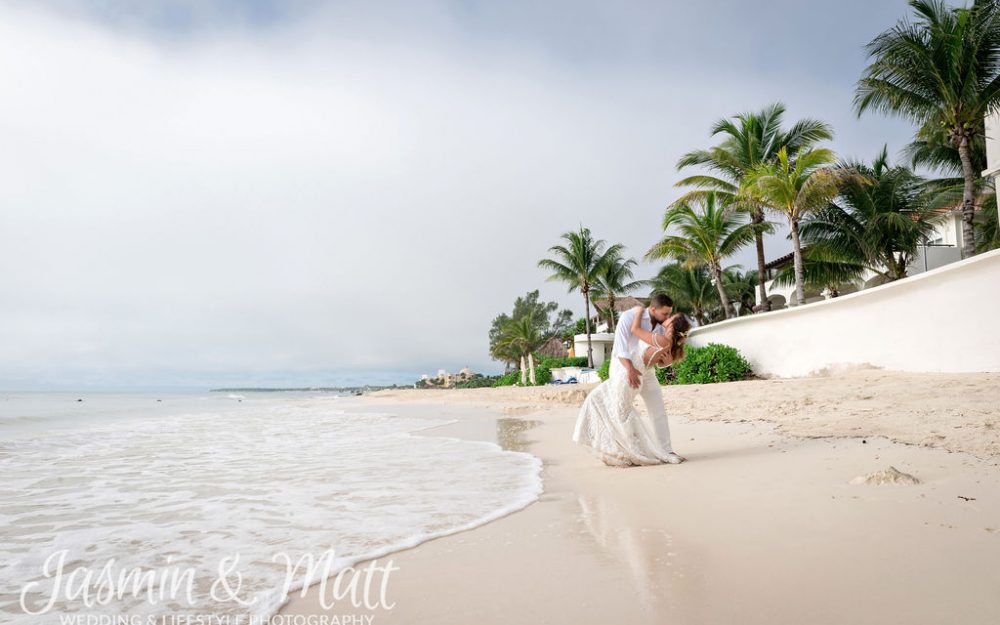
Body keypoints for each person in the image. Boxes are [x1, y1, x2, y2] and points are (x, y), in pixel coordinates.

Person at [572, 301, 691, 467]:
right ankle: (631, 451)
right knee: (617, 408)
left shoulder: (658, 332)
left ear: (673, 326)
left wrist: (636, 315)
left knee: (652, 411)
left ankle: (658, 451)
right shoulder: (659, 331)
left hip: (639, 372)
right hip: (633, 368)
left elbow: (654, 355)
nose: (667, 318)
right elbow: (657, 359)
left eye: (671, 318)